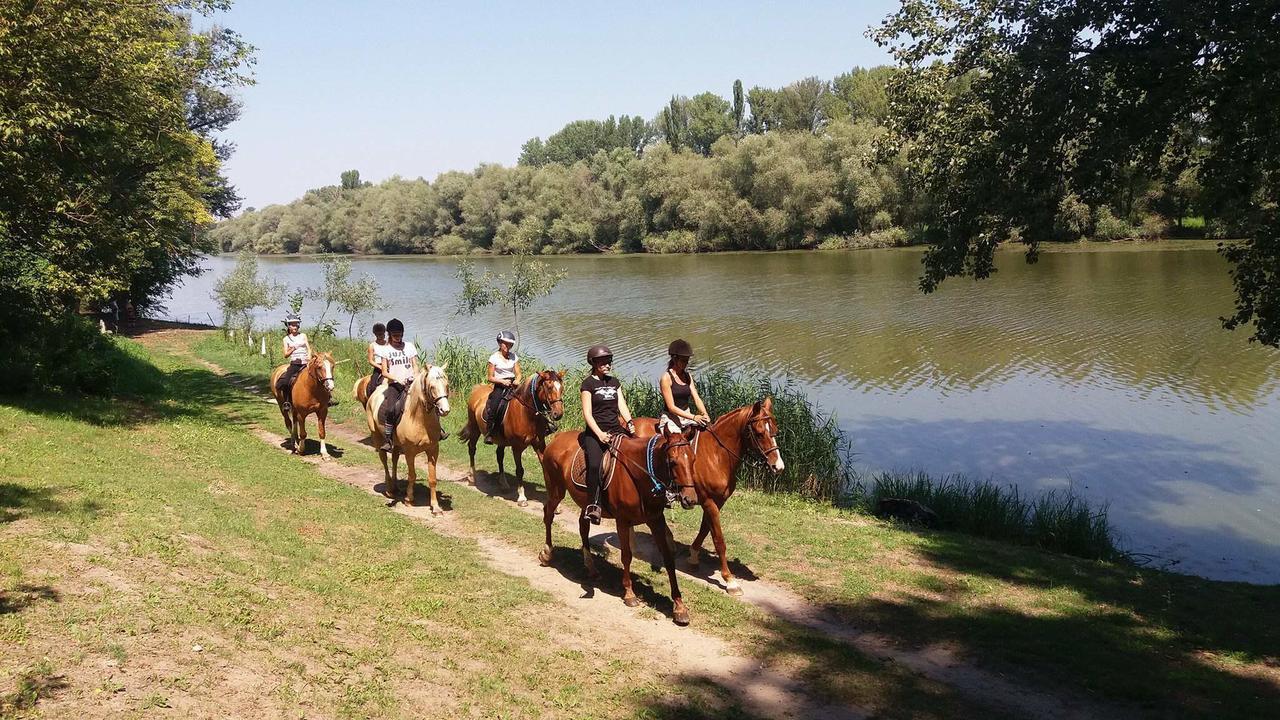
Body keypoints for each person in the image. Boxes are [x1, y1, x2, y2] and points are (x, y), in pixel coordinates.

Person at [579, 344, 635, 524]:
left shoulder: (614, 382)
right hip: (595, 433)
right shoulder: (588, 384)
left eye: (608, 361)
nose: (607, 365)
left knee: (634, 455)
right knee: (595, 465)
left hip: (616, 429)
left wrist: (630, 422)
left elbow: (622, 405)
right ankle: (593, 505)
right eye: (603, 362)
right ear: (594, 363)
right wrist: (600, 434)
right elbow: (587, 413)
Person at [377, 318, 419, 452]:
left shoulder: (410, 346)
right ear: (389, 335)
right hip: (395, 385)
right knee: (391, 410)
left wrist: (415, 376)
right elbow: (384, 372)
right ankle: (388, 439)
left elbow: (415, 365)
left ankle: (438, 431)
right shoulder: (386, 350)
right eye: (395, 335)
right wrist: (397, 379)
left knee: (429, 402)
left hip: (412, 383)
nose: (398, 338)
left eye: (400, 335)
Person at [658, 339, 711, 435]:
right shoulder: (666, 378)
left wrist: (704, 414)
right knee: (678, 443)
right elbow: (671, 407)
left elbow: (697, 398)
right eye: (683, 361)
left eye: (687, 361)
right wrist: (694, 417)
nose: (686, 363)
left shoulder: (687, 376)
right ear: (674, 359)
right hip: (671, 418)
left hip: (687, 415)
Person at [482, 330, 523, 444]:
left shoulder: (514, 357)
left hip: (513, 384)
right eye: (505, 343)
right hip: (500, 386)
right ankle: (490, 432)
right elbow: (490, 377)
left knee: (528, 400)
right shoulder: (494, 358)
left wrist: (517, 379)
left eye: (510, 344)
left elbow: (518, 373)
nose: (508, 346)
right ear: (500, 343)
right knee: (494, 406)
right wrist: (502, 381)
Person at [276, 313, 312, 414]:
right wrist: (293, 349)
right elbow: (286, 354)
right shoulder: (286, 339)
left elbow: (308, 348)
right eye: (292, 325)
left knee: (321, 375)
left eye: (296, 324)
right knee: (286, 381)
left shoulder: (303, 335)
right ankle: (287, 402)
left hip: (306, 363)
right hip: (295, 364)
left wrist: (309, 356)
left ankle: (327, 399)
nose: (294, 326)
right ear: (288, 326)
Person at [364, 322, 390, 405]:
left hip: (390, 365)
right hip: (379, 367)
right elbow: (371, 360)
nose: (381, 335)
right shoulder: (372, 345)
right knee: (373, 385)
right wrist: (380, 367)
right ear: (375, 334)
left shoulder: (388, 343)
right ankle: (371, 401)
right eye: (378, 334)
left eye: (382, 333)